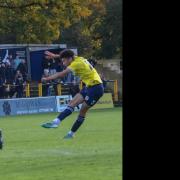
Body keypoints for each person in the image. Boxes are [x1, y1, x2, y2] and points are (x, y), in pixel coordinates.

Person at [41, 49, 104, 139]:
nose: (63, 63)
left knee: (82, 111)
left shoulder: (75, 64)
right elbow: (69, 55)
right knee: (72, 103)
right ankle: (56, 122)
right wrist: (56, 56)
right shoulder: (78, 58)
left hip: (96, 88)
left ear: (69, 59)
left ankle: (71, 133)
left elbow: (61, 74)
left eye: (64, 61)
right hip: (89, 86)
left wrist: (47, 78)